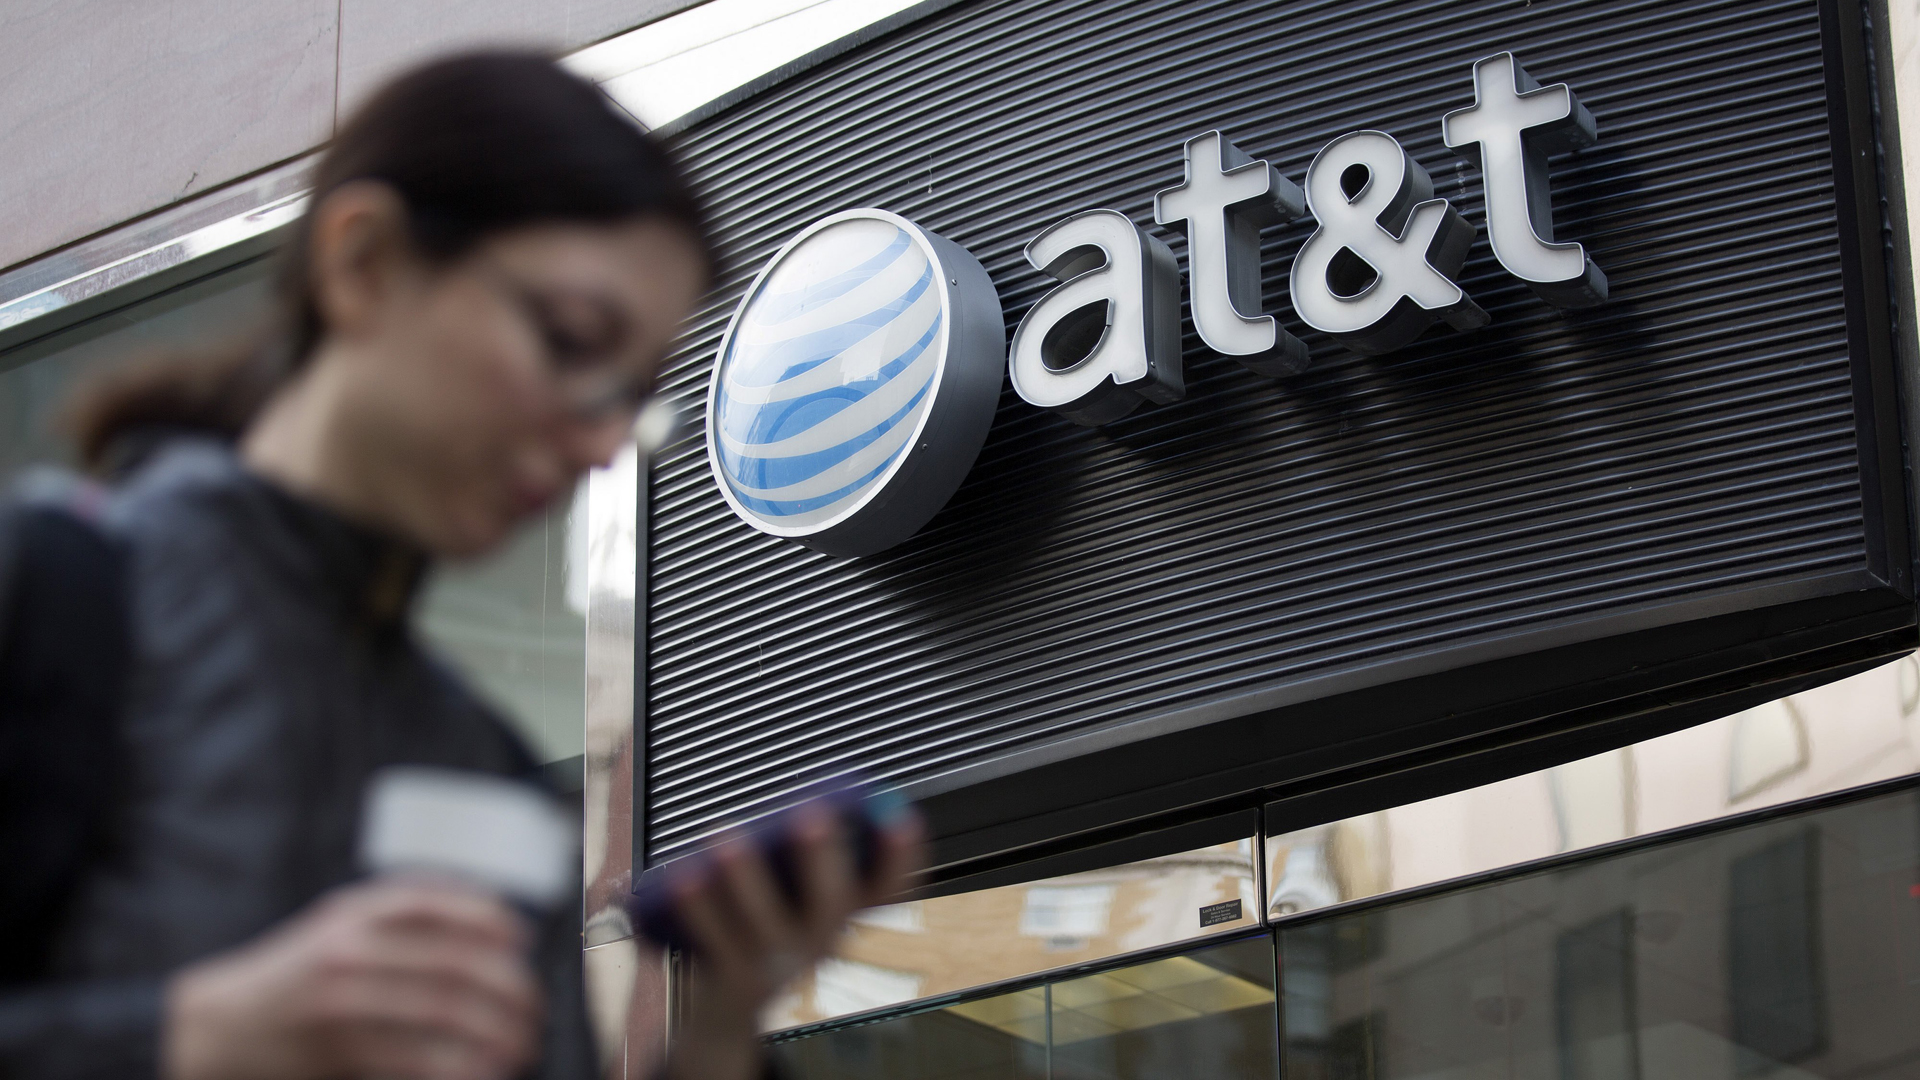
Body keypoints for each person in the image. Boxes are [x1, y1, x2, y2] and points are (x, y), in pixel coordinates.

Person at [0, 51, 920, 1080]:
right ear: (366, 263)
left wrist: (719, 1030)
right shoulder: (54, 597)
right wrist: (195, 1035)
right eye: (572, 343)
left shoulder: (483, 763)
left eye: (633, 394)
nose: (601, 442)